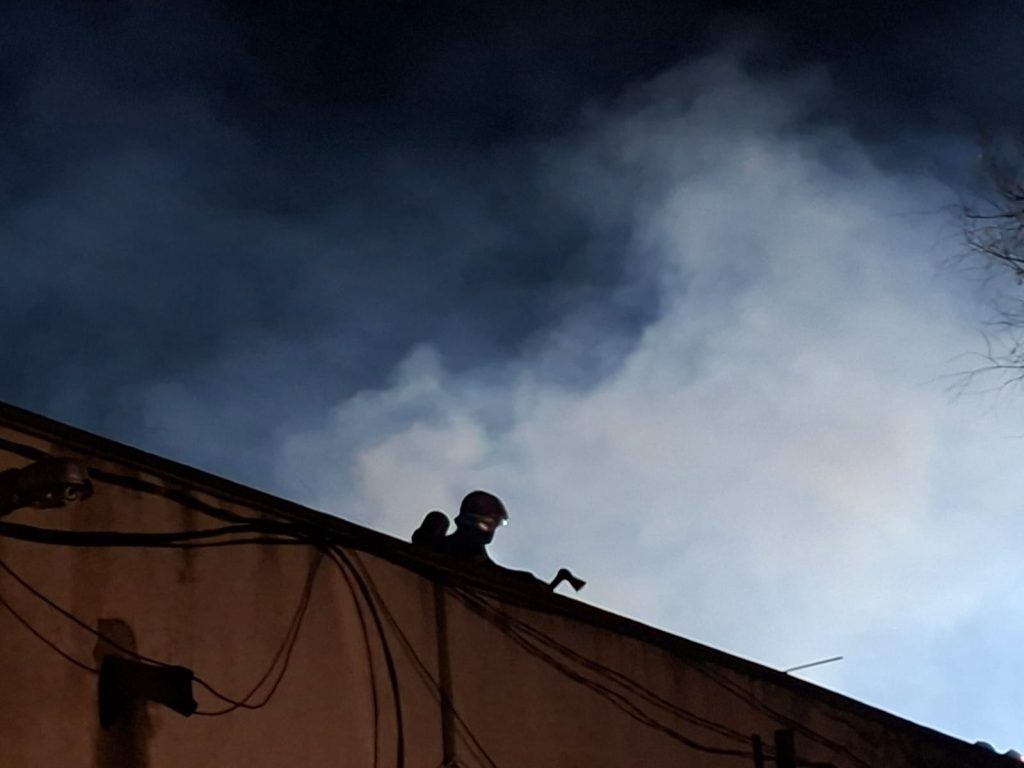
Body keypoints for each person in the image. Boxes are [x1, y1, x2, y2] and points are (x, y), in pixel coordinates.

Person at [412, 490, 508, 564]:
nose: (490, 531)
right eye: (486, 524)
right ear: (467, 520)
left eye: (495, 524)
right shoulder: (434, 548)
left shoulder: (485, 566)